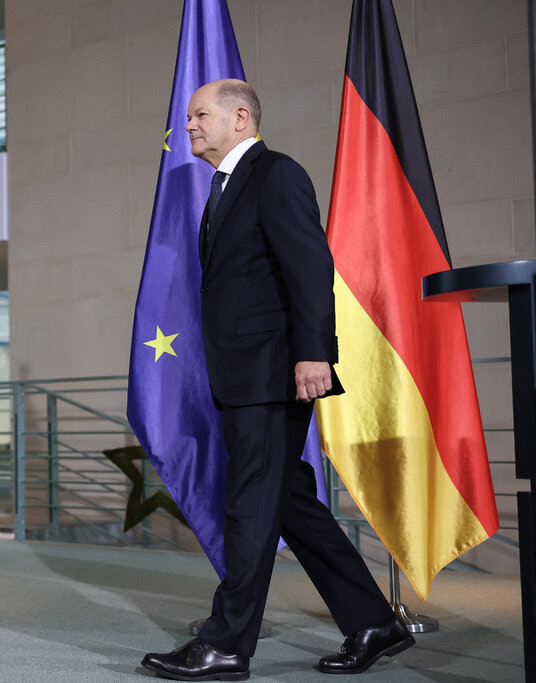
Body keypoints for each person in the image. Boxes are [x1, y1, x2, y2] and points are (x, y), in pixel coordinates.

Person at [140, 79, 415, 680]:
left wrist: (314, 354)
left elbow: (310, 266)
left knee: (249, 508)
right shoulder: (224, 186)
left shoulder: (276, 174)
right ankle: (374, 621)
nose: (188, 126)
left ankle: (227, 643)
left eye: (199, 115)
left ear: (241, 117)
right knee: (290, 504)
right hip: (245, 376)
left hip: (272, 374)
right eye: (189, 118)